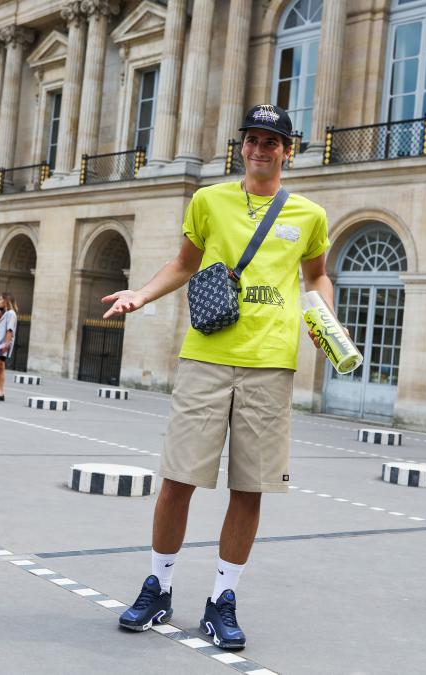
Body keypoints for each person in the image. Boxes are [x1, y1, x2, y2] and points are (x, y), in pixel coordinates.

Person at [102, 104, 334, 649]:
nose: (259, 149)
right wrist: (140, 293)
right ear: (242, 146)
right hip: (206, 355)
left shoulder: (309, 214)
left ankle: (222, 600)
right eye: (252, 139)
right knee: (177, 480)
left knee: (249, 487)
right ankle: (158, 587)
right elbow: (183, 264)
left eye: (271, 142)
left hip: (271, 363)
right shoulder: (209, 200)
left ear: (287, 150)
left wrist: (327, 320)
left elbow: (318, 278)